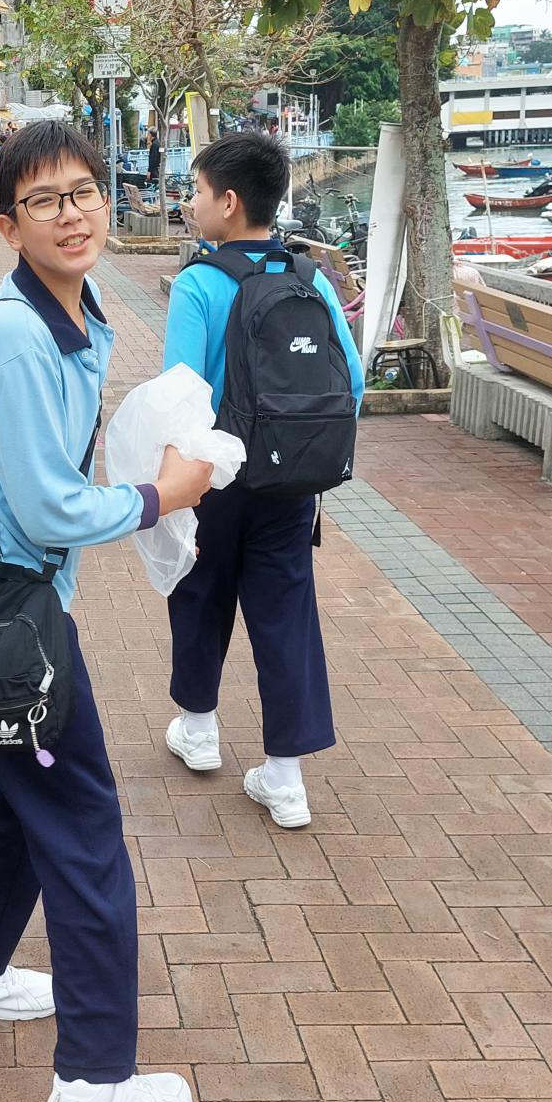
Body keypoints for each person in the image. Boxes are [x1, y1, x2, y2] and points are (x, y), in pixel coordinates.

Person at [0, 121, 214, 1102]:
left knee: (8, 795)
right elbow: (46, 507)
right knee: (81, 827)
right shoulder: (14, 334)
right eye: (44, 200)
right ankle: (96, 1083)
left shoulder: (71, 311)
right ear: (8, 225)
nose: (71, 214)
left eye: (83, 192)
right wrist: (162, 496)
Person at [160, 132, 362, 830]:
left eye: (196, 191)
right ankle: (285, 780)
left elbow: (180, 397)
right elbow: (351, 383)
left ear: (229, 201)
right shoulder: (310, 279)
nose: (189, 204)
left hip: (215, 479)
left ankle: (199, 729)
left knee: (200, 595)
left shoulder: (199, 283)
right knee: (286, 615)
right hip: (291, 481)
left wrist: (170, 487)